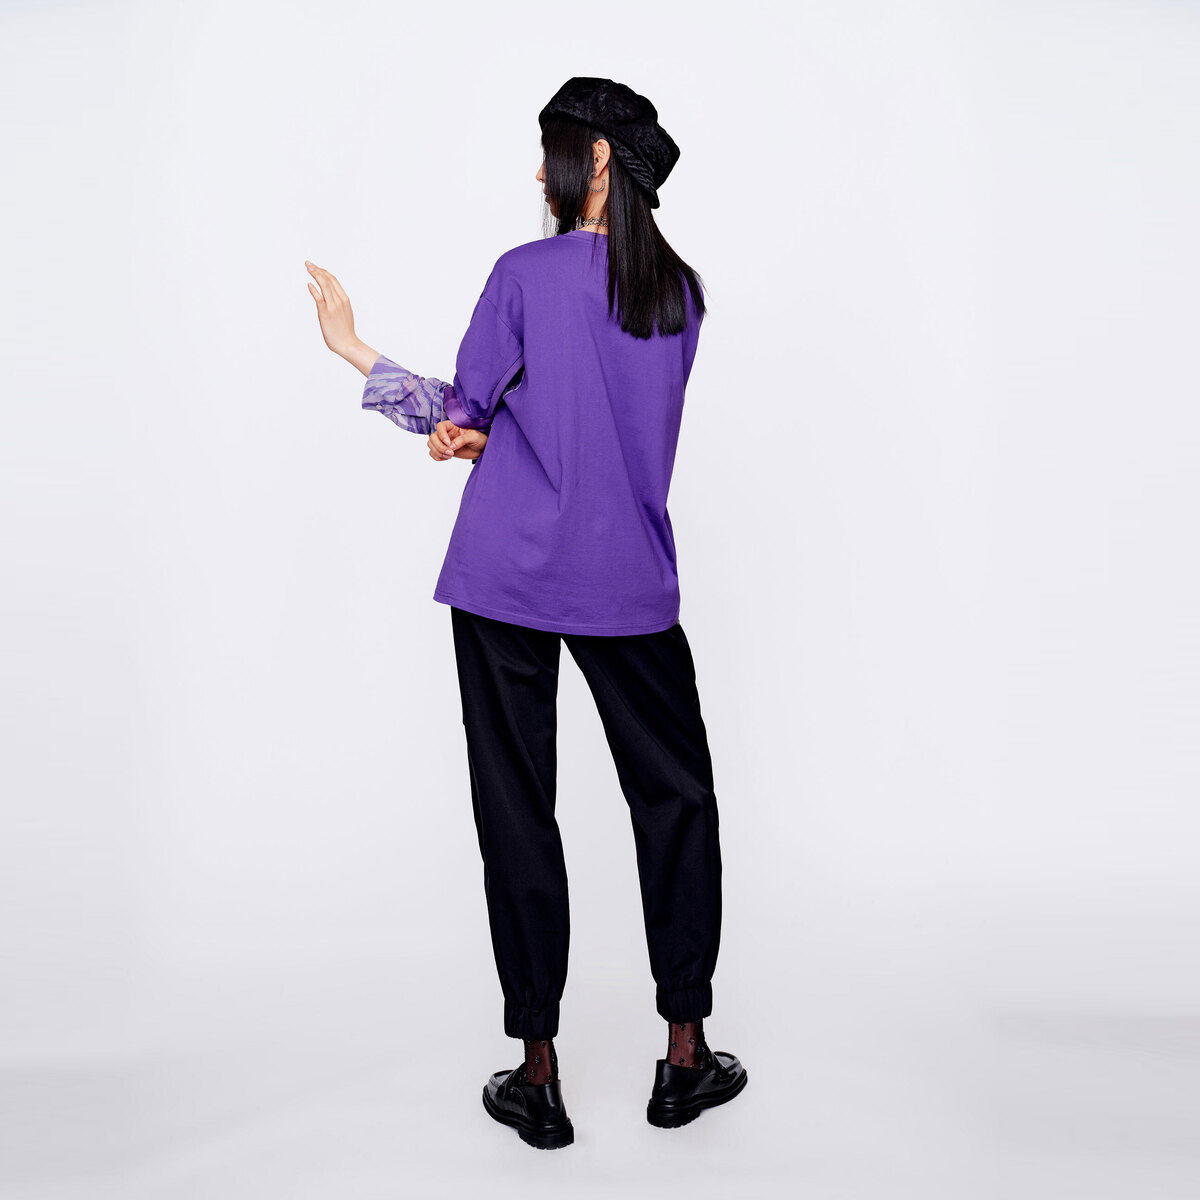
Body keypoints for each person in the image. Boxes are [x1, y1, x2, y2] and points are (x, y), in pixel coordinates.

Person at [306, 76, 746, 1150]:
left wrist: (355, 349)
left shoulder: (524, 274)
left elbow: (466, 412)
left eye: (551, 150)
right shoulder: (680, 295)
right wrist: (491, 431)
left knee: (517, 806)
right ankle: (685, 1056)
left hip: (506, 572)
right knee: (676, 798)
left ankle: (537, 1073)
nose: (535, 172)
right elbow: (604, 433)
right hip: (627, 576)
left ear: (593, 161)